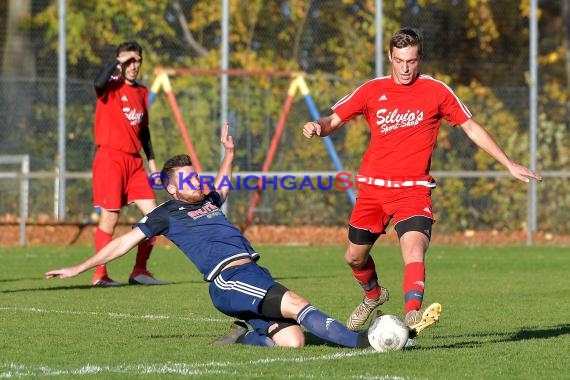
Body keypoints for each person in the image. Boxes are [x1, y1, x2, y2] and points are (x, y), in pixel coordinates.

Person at [47, 124, 425, 348]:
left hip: (250, 276)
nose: (197, 181)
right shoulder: (165, 214)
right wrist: (81, 266)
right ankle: (366, 343)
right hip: (228, 279)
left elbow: (223, 184)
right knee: (296, 301)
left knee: (293, 341)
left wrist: (229, 153)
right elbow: (122, 242)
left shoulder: (209, 198)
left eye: (197, 174)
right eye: (188, 179)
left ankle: (244, 335)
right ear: (173, 190)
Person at [302, 27, 542, 331]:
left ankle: (412, 315)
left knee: (414, 249)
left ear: (420, 59)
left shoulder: (437, 91)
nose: (405, 68)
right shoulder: (372, 89)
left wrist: (508, 163)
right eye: (399, 60)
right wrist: (317, 127)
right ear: (390, 56)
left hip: (413, 191)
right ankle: (373, 296)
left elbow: (472, 128)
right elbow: (333, 120)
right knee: (353, 257)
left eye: (411, 61)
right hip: (372, 190)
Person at [90, 40, 165, 286]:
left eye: (137, 61)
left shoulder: (142, 92)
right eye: (128, 61)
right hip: (110, 159)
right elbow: (97, 82)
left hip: (135, 163)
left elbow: (144, 131)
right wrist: (117, 63)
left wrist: (152, 162)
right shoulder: (109, 87)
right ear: (120, 63)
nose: (133, 66)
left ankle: (139, 271)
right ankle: (100, 275)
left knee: (156, 217)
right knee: (109, 219)